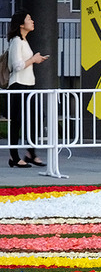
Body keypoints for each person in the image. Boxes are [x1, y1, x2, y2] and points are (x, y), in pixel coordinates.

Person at [6, 10, 49, 168]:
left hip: (28, 86)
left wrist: (35, 59)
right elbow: (17, 66)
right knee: (16, 122)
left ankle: (30, 153)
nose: (32, 21)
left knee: (36, 118)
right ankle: (15, 157)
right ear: (21, 24)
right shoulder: (17, 41)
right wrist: (34, 59)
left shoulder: (24, 41)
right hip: (18, 85)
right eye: (29, 19)